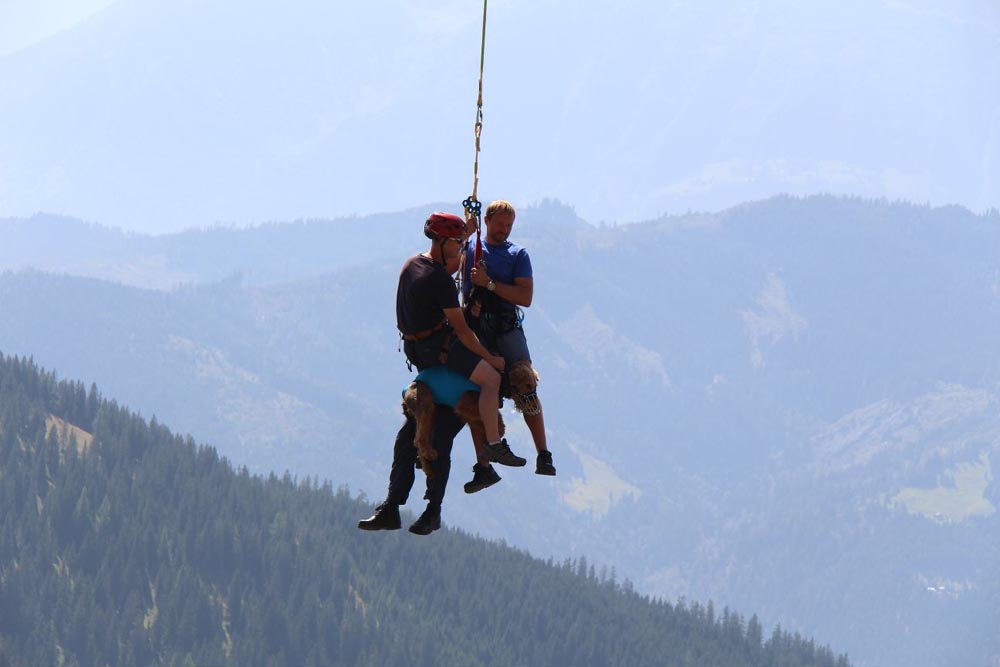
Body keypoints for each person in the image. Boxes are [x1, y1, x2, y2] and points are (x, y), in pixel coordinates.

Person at [358, 212, 526, 535]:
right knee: (431, 436)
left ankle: (401, 507)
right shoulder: (438, 280)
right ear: (443, 242)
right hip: (447, 368)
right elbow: (463, 331)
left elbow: (448, 271)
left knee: (414, 437)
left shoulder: (413, 266)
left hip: (435, 369)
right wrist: (490, 357)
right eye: (458, 243)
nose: (461, 247)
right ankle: (429, 504)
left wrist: (468, 234)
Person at [463, 200, 556, 490]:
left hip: (505, 326)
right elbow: (450, 260)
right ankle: (484, 466)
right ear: (487, 221)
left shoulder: (517, 254)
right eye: (499, 224)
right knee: (475, 393)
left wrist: (489, 284)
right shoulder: (470, 246)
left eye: (509, 226)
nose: (504, 230)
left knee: (525, 383)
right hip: (476, 326)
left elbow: (524, 296)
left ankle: (543, 453)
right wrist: (465, 230)